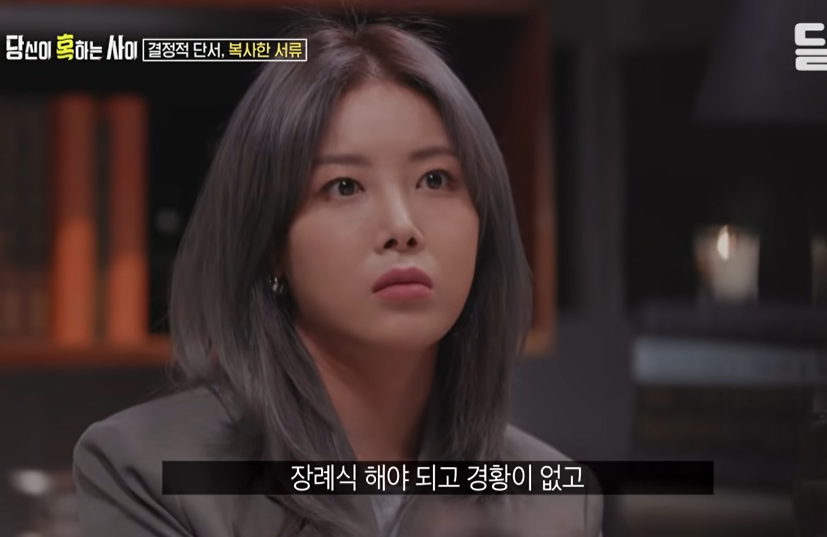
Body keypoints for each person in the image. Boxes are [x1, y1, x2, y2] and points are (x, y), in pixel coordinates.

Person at [72, 16, 603, 537]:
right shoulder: (145, 470)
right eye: (345, 186)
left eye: (435, 179)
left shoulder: (555, 502)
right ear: (269, 243)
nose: (402, 227)